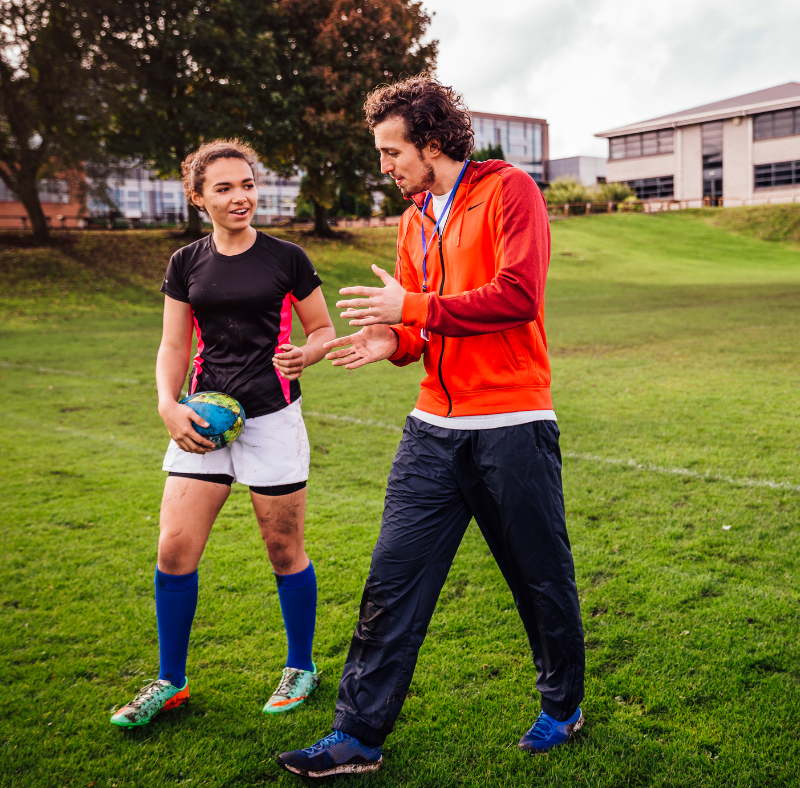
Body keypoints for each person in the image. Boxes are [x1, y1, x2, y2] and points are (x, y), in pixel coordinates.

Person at [278, 77, 585, 778]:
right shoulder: (414, 221)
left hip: (513, 422)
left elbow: (517, 296)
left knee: (539, 580)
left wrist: (410, 307)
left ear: (435, 141)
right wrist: (388, 340)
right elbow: (418, 332)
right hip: (432, 429)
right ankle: (357, 735)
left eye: (393, 152)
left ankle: (563, 706)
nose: (385, 166)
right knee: (392, 581)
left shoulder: (509, 190)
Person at [111, 139, 335, 728]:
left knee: (283, 549)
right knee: (174, 549)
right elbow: (173, 344)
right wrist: (167, 404)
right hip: (202, 417)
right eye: (225, 188)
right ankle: (171, 681)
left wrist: (306, 354)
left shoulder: (287, 257)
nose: (241, 197)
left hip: (272, 417)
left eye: (248, 185)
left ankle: (301, 666)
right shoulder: (186, 262)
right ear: (198, 197)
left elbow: (322, 329)